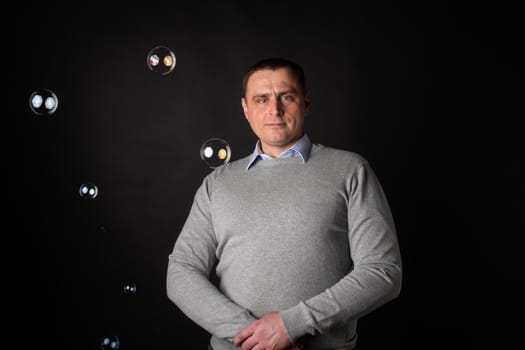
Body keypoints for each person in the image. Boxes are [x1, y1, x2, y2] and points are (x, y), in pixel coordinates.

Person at [166, 57, 402, 350]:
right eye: (262, 99)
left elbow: (383, 271)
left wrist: (292, 325)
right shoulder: (218, 183)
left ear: (305, 102)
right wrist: (255, 336)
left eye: (286, 97)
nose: (274, 110)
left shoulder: (351, 170)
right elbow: (181, 272)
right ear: (246, 110)